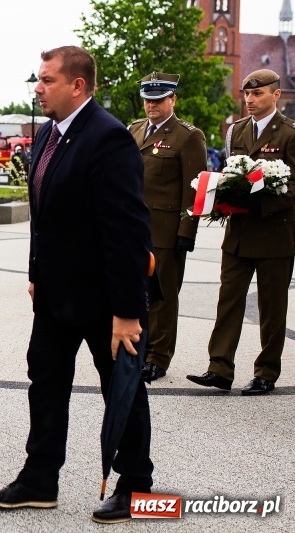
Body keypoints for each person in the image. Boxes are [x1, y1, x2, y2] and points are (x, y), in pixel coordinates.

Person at [0, 46, 155, 524]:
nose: (38, 88)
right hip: (55, 295)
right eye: (38, 79)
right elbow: (45, 217)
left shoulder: (109, 138)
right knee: (46, 381)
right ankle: (39, 479)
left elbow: (127, 230)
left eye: (47, 80)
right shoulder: (48, 133)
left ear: (78, 85)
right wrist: (37, 274)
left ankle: (136, 483)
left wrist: (127, 311)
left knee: (121, 389)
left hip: (103, 300)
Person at [186, 69, 295, 396]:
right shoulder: (236, 131)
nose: (249, 100)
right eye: (246, 94)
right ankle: (219, 368)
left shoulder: (289, 133)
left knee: (271, 307)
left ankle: (266, 372)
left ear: (275, 96)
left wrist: (261, 195)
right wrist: (223, 194)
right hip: (238, 234)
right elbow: (232, 172)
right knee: (228, 301)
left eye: (258, 94)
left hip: (275, 234)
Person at [128, 72, 207, 383]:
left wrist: (187, 232)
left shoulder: (188, 136)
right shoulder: (134, 129)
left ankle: (159, 357)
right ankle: (138, 347)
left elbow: (195, 190)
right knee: (134, 291)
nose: (152, 105)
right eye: (148, 99)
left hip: (165, 230)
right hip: (133, 228)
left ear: (173, 100)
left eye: (158, 99)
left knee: (163, 297)